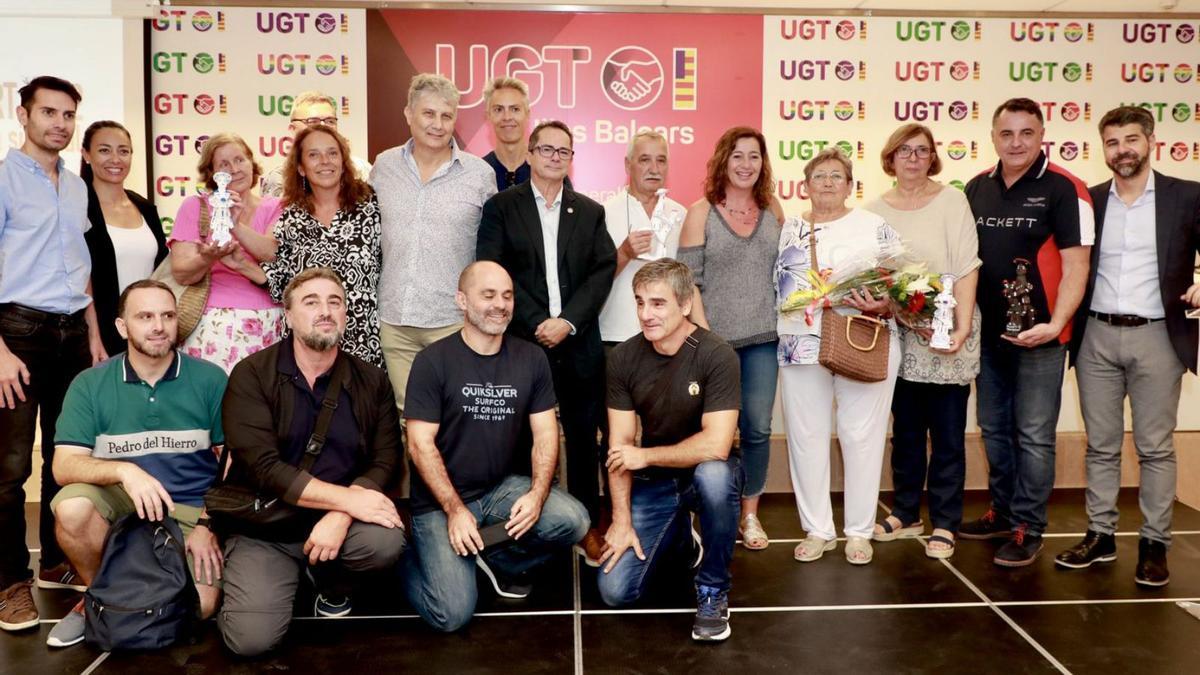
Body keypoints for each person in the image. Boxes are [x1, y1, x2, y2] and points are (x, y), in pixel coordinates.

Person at [216, 268, 404, 657]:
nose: (325, 311)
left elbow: (386, 459)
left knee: (385, 541)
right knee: (250, 642)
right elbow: (262, 467)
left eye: (335, 302)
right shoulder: (251, 375)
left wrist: (342, 513)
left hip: (336, 526)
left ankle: (327, 579)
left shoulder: (372, 381)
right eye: (311, 302)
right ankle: (282, 574)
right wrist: (348, 501)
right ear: (287, 315)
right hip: (263, 527)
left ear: (347, 316)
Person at [1056, 106, 1200, 587]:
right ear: (1104, 148)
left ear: (1151, 141)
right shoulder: (1089, 201)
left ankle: (1155, 543)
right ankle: (1100, 536)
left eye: (1131, 140)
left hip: (1159, 336)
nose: (1123, 151)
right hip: (1095, 335)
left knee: (1155, 447)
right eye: (1113, 142)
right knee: (1100, 446)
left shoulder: (1187, 196)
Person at [402, 261, 589, 631]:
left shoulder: (530, 358)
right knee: (451, 615)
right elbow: (420, 445)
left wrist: (537, 495)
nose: (499, 304)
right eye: (488, 295)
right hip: (442, 502)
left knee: (574, 520)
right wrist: (455, 510)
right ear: (462, 300)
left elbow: (546, 436)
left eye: (506, 296)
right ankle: (412, 558)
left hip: (497, 490)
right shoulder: (432, 361)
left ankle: (495, 562)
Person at [45, 279, 227, 647]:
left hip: (191, 508)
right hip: (123, 505)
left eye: (167, 315)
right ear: (122, 327)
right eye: (145, 316)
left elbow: (235, 465)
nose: (158, 326)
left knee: (203, 607)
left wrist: (209, 523)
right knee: (73, 508)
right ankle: (100, 599)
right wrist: (125, 470)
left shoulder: (210, 379)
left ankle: (138, 602)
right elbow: (63, 466)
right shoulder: (90, 384)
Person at [961, 98, 1094, 567]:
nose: (1016, 142)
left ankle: (1027, 526)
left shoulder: (1065, 189)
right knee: (995, 429)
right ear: (993, 136)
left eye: (1026, 133)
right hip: (990, 336)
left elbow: (1078, 265)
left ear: (1042, 136)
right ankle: (1002, 510)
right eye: (1006, 133)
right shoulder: (977, 188)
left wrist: (1057, 324)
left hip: (1042, 338)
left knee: (1034, 435)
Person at [477, 120, 616, 563]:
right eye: (547, 150)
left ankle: (587, 525)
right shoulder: (502, 207)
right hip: (521, 339)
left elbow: (602, 270)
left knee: (581, 438)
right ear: (531, 155)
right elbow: (493, 269)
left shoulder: (590, 211)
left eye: (564, 152)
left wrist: (568, 322)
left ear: (572, 159)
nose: (555, 157)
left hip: (577, 342)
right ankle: (523, 530)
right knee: (518, 439)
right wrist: (538, 321)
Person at [0, 76, 107, 632]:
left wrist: (92, 333)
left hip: (71, 334)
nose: (60, 124)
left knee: (65, 456)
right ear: (24, 115)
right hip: (15, 333)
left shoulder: (75, 185)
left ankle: (56, 563)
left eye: (68, 115)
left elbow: (80, 268)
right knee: (10, 467)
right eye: (49, 113)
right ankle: (10, 582)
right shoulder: (2, 178)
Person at [599, 259, 742, 642]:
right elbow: (618, 446)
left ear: (684, 305)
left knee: (714, 474)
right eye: (640, 302)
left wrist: (645, 456)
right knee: (615, 592)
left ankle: (712, 589)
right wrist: (621, 520)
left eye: (658, 303)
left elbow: (716, 444)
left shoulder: (717, 354)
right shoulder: (623, 358)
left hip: (705, 473)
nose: (646, 314)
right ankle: (680, 537)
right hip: (658, 480)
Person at [775, 148, 901, 566]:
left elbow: (902, 285)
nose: (827, 182)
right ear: (805, 185)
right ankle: (818, 529)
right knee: (806, 437)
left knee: (861, 437)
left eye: (837, 175)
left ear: (850, 185)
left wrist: (883, 302)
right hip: (800, 344)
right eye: (819, 175)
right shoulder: (790, 227)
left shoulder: (873, 225)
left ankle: (860, 532)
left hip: (862, 338)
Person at [865, 124, 981, 560]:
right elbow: (875, 275)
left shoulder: (953, 200)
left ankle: (946, 521)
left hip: (950, 332)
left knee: (949, 434)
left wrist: (963, 326)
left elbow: (968, 266)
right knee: (907, 431)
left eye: (921, 150)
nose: (913, 158)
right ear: (890, 157)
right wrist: (888, 307)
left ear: (932, 157)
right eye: (904, 150)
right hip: (900, 335)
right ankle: (907, 512)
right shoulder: (875, 210)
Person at [677, 126, 783, 551]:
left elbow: (788, 274)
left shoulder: (774, 208)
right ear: (723, 160)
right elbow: (689, 284)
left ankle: (749, 516)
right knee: (706, 432)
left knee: (756, 429)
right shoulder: (700, 212)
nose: (745, 164)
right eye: (737, 155)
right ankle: (702, 512)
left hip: (763, 339)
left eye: (754, 156)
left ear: (763, 163)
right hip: (712, 344)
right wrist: (707, 339)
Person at [371, 73, 497, 417]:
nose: (438, 125)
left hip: (453, 322)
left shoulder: (479, 175)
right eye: (428, 114)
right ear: (409, 114)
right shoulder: (383, 166)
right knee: (407, 419)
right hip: (396, 322)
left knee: (457, 418)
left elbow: (492, 249)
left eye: (447, 115)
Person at [260, 124, 383, 367]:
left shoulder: (371, 204)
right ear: (301, 168)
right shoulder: (291, 217)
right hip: (310, 342)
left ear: (344, 160)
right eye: (313, 155)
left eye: (332, 153)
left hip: (363, 339)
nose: (325, 161)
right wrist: (237, 259)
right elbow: (279, 279)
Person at [168, 133, 284, 374]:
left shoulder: (275, 206)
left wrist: (234, 225)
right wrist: (208, 257)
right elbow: (181, 272)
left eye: (240, 160)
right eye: (224, 164)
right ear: (211, 173)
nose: (235, 169)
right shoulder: (195, 206)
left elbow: (272, 252)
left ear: (252, 163)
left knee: (259, 406)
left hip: (268, 324)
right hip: (209, 324)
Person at [81, 120, 169, 357]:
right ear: (86, 154)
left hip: (148, 333)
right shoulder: (77, 208)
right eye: (104, 150)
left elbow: (163, 269)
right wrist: (94, 336)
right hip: (98, 336)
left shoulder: (145, 208)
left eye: (123, 151)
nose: (115, 159)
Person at [600, 130, 686, 345]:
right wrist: (624, 253)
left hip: (670, 338)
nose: (654, 169)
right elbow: (590, 282)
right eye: (645, 160)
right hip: (617, 336)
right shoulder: (604, 213)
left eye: (661, 160)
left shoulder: (681, 215)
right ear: (628, 165)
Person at [259, 91, 372, 198]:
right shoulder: (279, 179)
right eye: (312, 121)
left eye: (330, 121)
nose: (323, 127)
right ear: (293, 129)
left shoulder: (361, 170)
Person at [481, 77, 533, 191]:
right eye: (498, 110)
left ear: (527, 114)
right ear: (488, 115)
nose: (507, 117)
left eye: (515, 109)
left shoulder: (546, 170)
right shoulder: (477, 172)